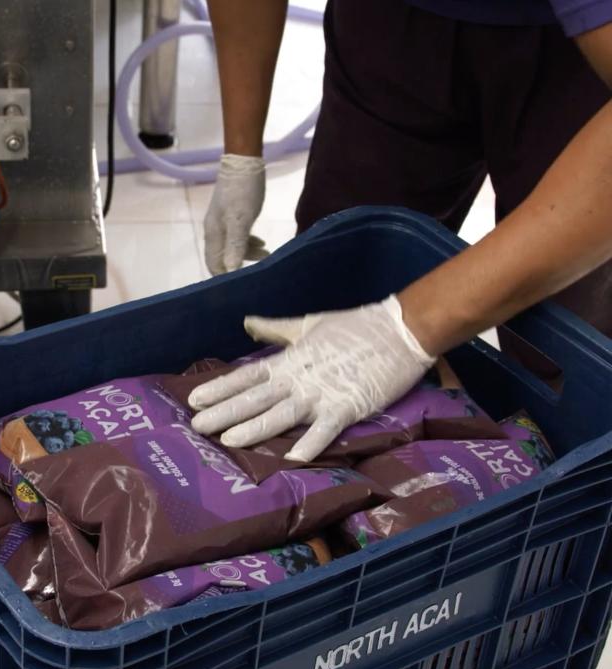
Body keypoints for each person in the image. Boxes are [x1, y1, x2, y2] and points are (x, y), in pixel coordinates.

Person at [193, 1, 612, 462]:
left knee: (567, 355)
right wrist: (241, 154)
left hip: (580, 59)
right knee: (332, 301)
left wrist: (406, 329)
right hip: (395, 25)